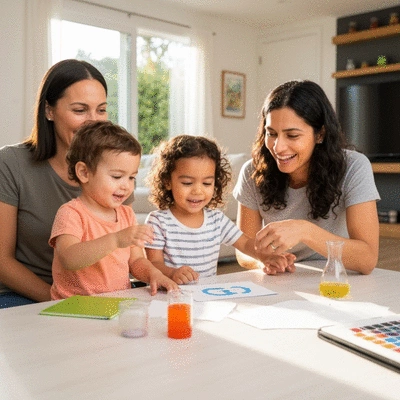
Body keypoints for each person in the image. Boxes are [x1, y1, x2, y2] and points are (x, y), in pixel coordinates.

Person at [233, 79, 380, 275]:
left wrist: (304, 230)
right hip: (283, 280)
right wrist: (264, 260)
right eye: (272, 133)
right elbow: (243, 250)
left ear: (320, 134)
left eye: (292, 135)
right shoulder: (253, 172)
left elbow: (367, 259)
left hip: (336, 276)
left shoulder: (353, 167)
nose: (278, 147)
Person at [0, 59, 111, 308]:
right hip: (25, 296)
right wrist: (63, 302)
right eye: (80, 110)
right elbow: (2, 262)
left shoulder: (113, 169)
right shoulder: (10, 163)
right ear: (49, 111)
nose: (93, 121)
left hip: (95, 296)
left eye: (101, 110)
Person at [49, 120, 178, 299]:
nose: (126, 186)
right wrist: (116, 240)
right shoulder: (71, 213)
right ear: (84, 173)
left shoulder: (126, 214)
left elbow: (136, 261)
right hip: (73, 307)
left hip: (115, 303)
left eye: (132, 177)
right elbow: (69, 258)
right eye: (117, 176)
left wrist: (154, 275)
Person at [144, 135, 286, 284]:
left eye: (206, 183)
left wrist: (266, 256)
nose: (197, 191)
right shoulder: (158, 221)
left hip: (207, 294)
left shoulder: (216, 220)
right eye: (187, 183)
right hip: (171, 296)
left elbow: (244, 243)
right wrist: (172, 273)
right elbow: (153, 264)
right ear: (167, 182)